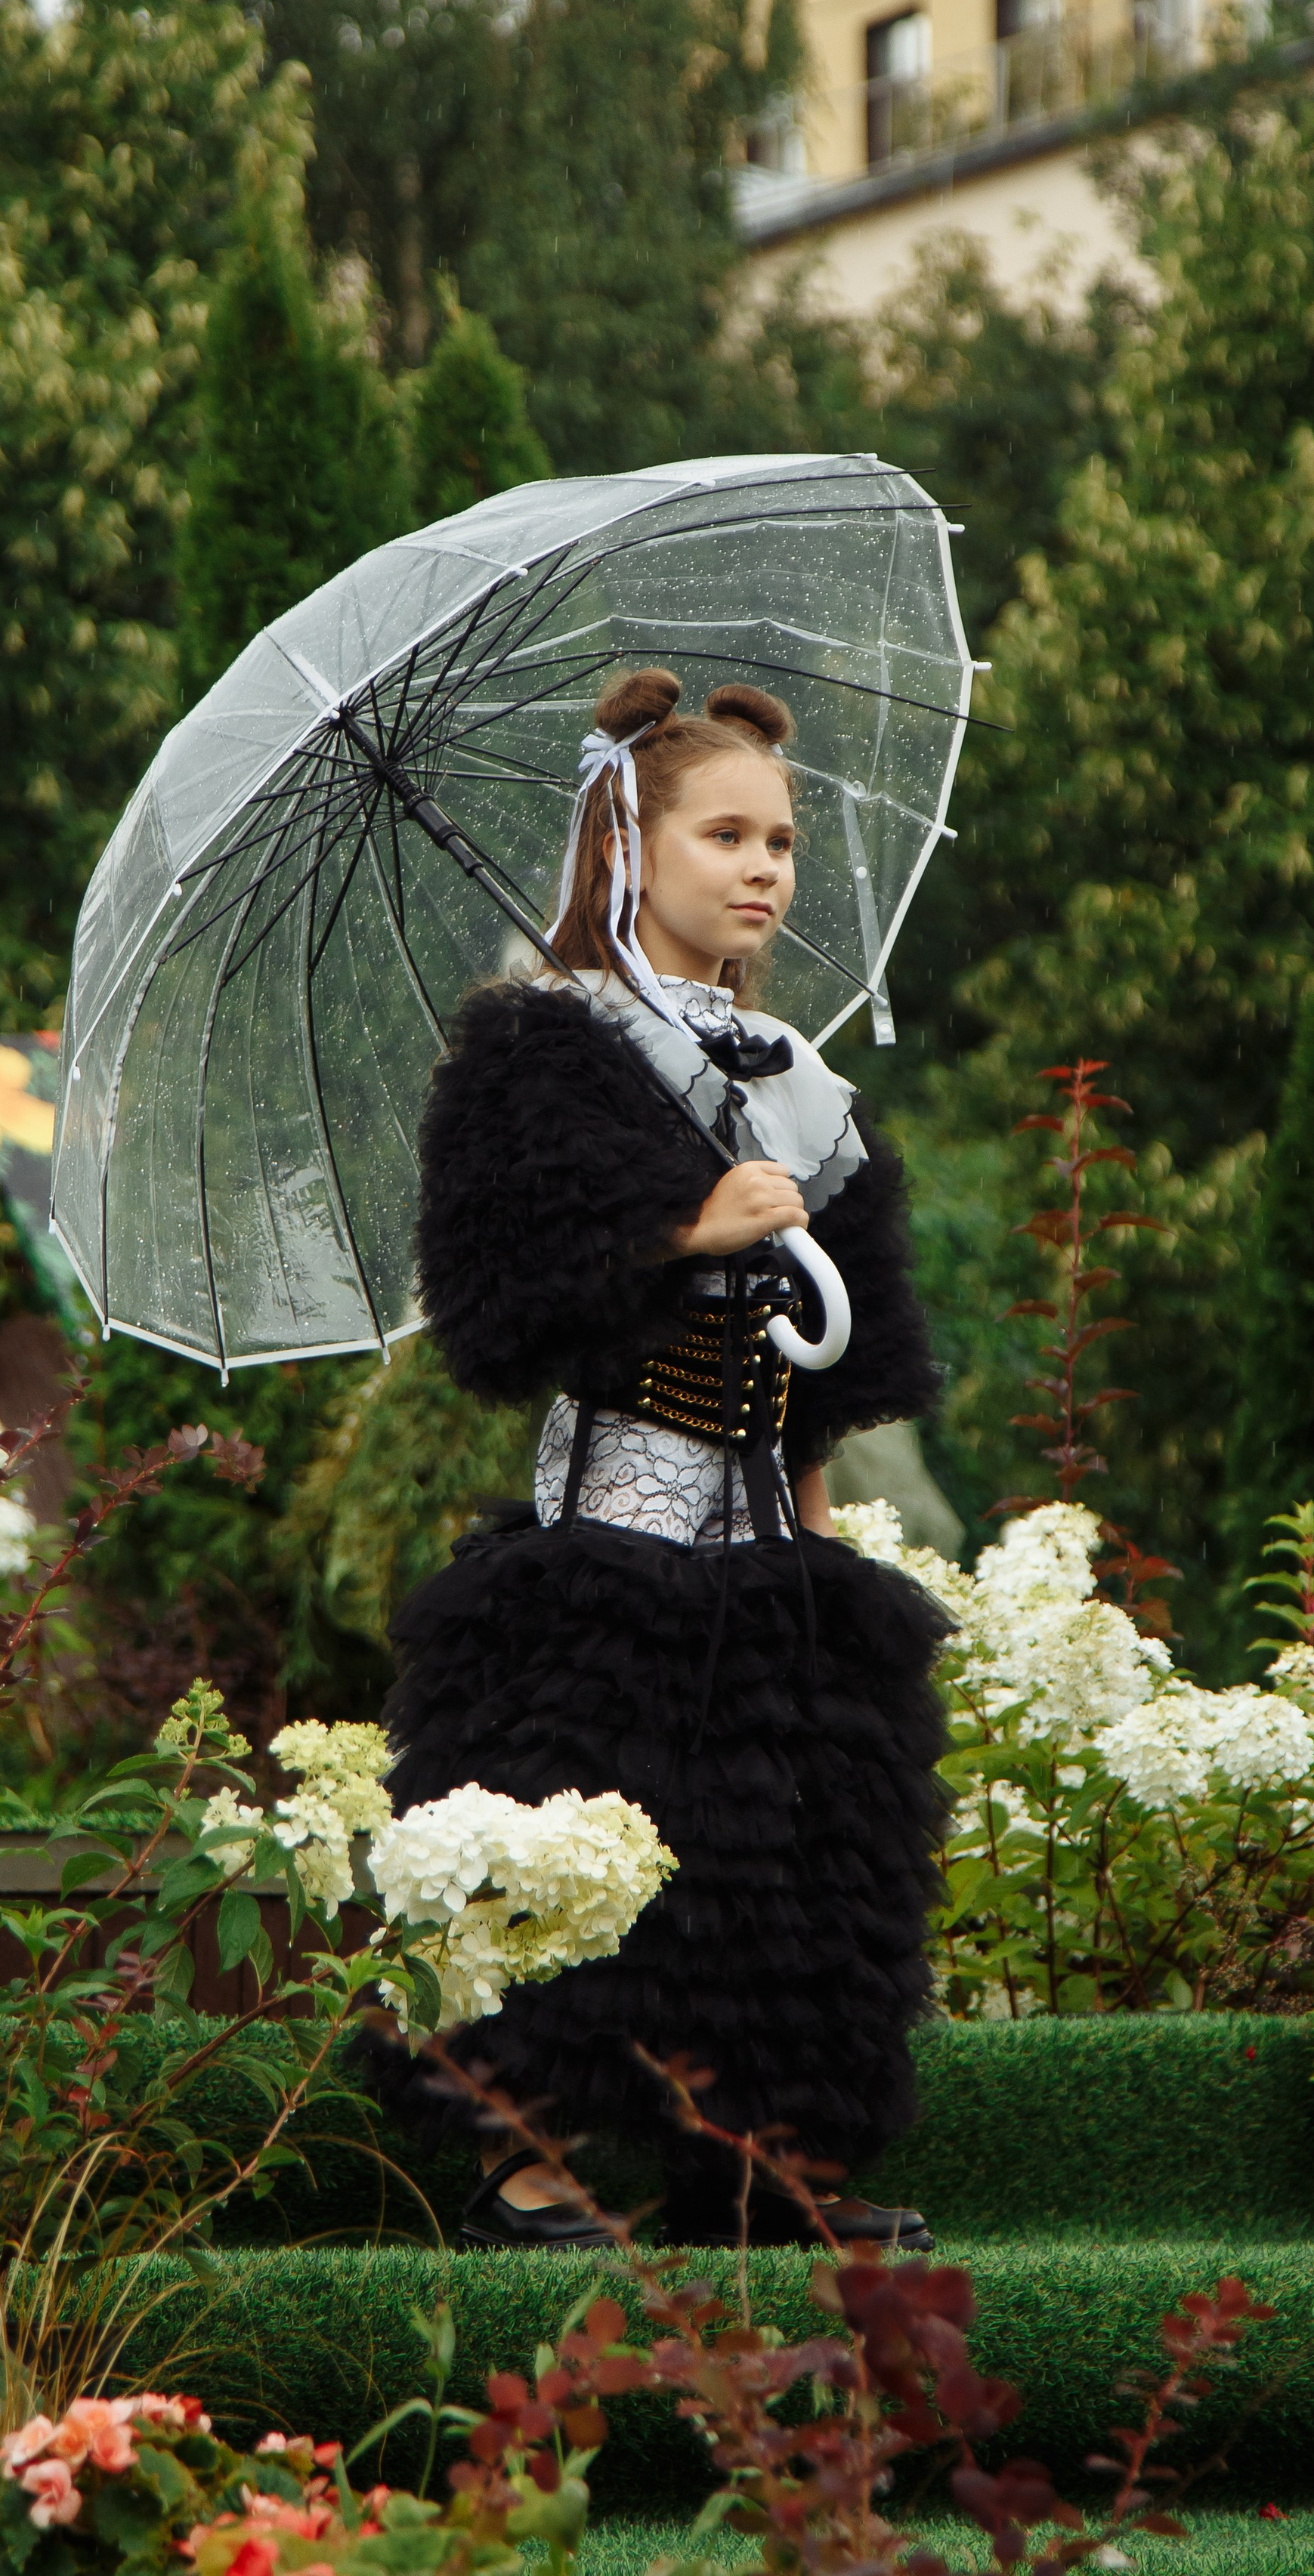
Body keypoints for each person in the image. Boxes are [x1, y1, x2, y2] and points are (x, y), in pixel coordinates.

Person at [370, 664, 951, 2250]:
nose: (764, 865)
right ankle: (526, 2162)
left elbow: (828, 1380)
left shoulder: (798, 1084)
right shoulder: (547, 1047)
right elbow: (494, 1301)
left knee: (782, 1849)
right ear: (629, 846)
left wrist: (823, 1553)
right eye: (725, 834)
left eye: (779, 838)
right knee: (589, 1817)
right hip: (609, 1530)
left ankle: (755, 2166)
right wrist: (685, 1221)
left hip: (769, 1528)